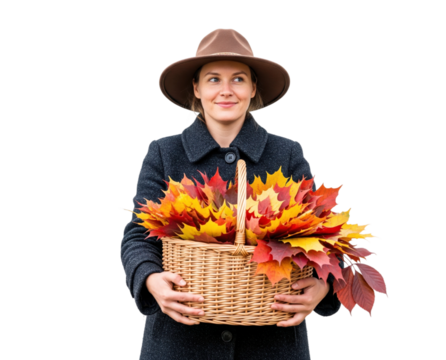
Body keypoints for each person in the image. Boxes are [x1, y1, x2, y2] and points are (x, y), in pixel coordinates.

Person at [121, 27, 344, 360]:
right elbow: (138, 235)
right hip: (178, 344)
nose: (226, 91)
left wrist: (324, 288)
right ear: (195, 87)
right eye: (213, 79)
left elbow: (325, 233)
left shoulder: (287, 153)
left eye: (238, 79)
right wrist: (150, 279)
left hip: (273, 345)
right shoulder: (164, 152)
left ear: (253, 87)